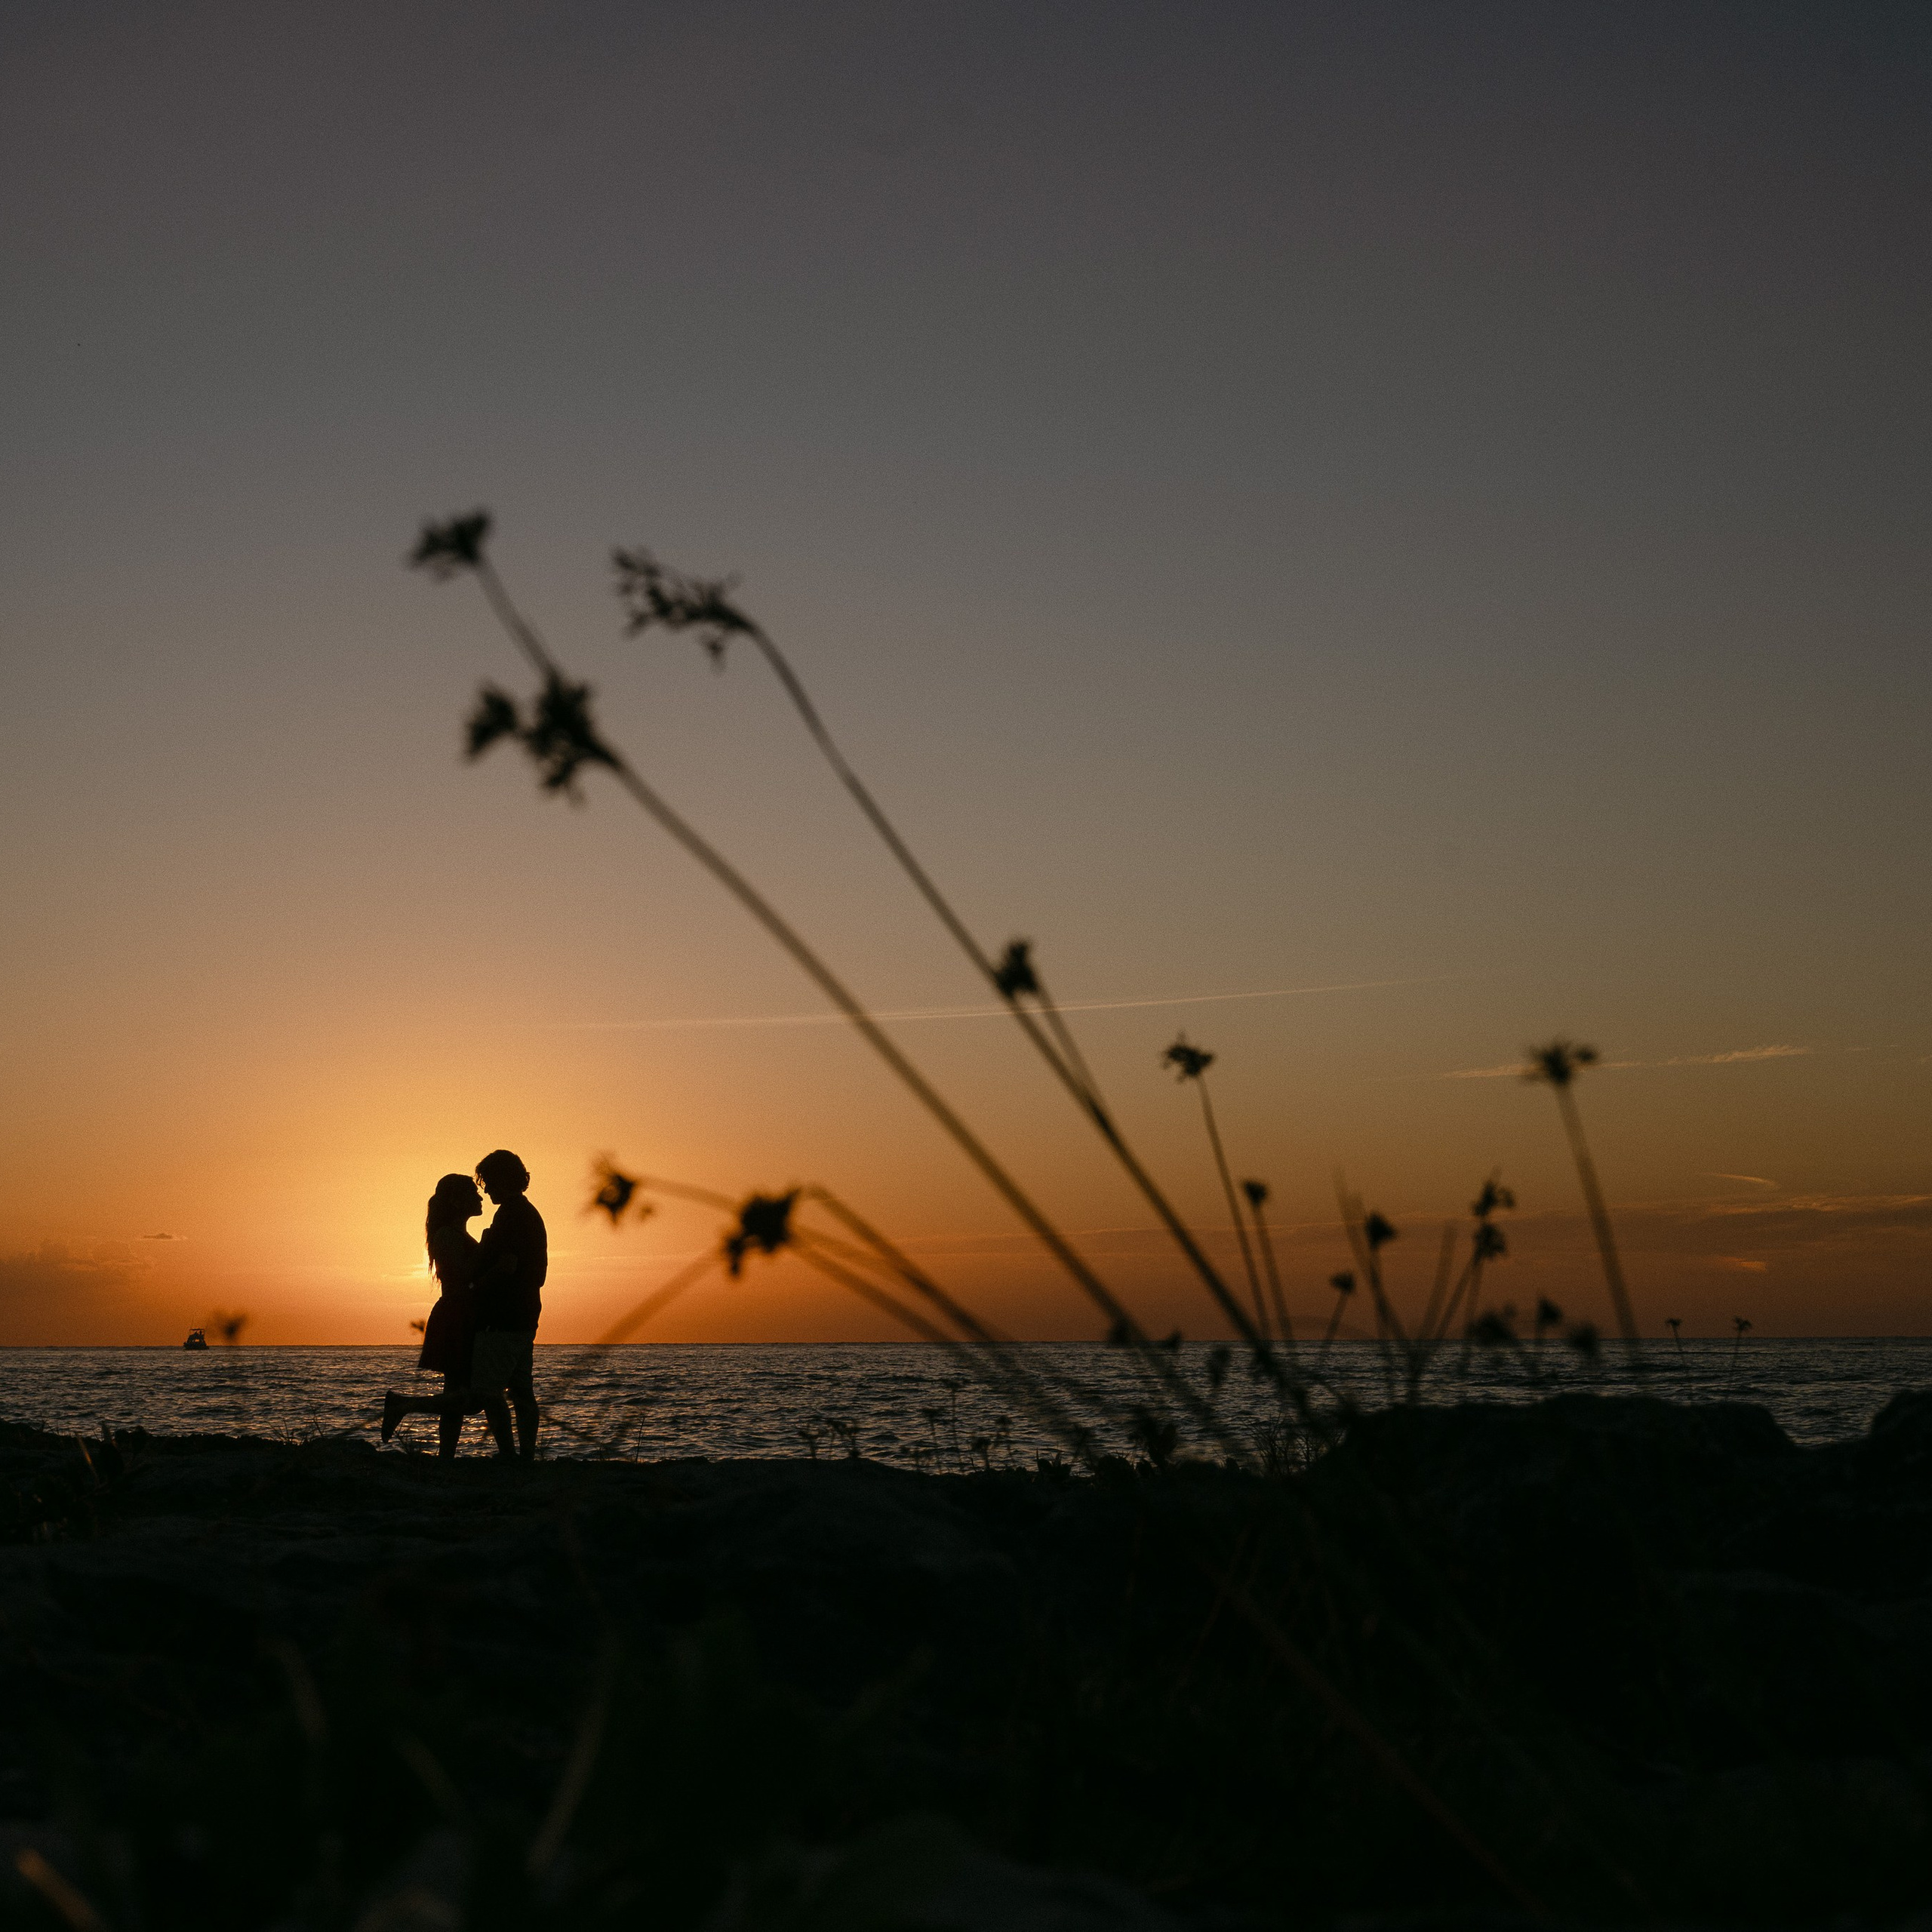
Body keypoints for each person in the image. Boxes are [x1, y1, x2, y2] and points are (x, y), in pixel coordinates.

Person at [380, 1174, 487, 1457]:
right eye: (472, 1193)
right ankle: (405, 1404)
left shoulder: (457, 1234)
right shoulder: (447, 1235)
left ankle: (445, 1457)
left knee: (458, 1394)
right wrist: (488, 1249)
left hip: (463, 1315)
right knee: (471, 1398)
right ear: (456, 1201)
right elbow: (461, 1277)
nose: (479, 1198)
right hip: (456, 1316)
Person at [469, 1149, 546, 1460]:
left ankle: (509, 1455)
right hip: (525, 1312)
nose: (486, 1189)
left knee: (489, 1392)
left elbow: (507, 1266)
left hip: (505, 1315)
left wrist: (474, 1288)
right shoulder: (525, 1212)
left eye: (489, 1181)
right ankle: (525, 1456)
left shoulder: (512, 1215)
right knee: (521, 1389)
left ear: (503, 1179)